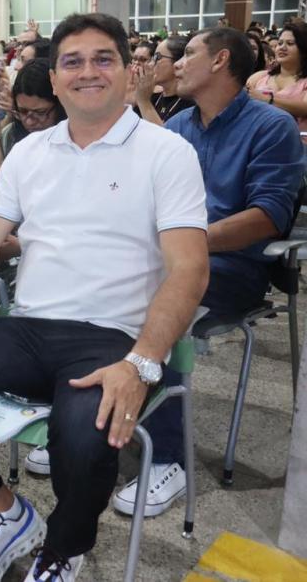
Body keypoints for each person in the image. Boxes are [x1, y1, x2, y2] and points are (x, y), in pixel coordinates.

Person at [0, 13, 209, 582]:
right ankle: (4, 512)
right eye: (73, 62)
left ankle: (63, 546)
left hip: (113, 337)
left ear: (129, 72)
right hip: (29, 327)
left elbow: (189, 269)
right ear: (54, 79)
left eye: (103, 58)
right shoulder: (30, 153)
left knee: (85, 434)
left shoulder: (166, 152)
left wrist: (141, 362)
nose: (88, 72)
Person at [114, 27, 303, 518]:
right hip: (166, 257)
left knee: (162, 299)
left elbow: (268, 216)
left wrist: (189, 241)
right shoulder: (178, 129)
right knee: (100, 284)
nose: (173, 63)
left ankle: (169, 459)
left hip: (232, 266)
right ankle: (93, 420)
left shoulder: (270, 127)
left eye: (186, 54)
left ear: (220, 60)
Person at [0, 58, 65, 197]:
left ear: (60, 106)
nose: (30, 121)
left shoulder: (75, 137)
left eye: (40, 113)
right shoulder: (8, 137)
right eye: (23, 111)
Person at [246, 23, 307, 133]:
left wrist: (267, 99)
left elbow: (305, 108)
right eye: (280, 43)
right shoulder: (259, 76)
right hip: (257, 140)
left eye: (290, 43)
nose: (282, 47)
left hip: (298, 143)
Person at [132, 35, 194, 126]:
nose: (151, 64)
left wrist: (144, 102)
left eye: (157, 57)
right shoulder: (153, 98)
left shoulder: (190, 106)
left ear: (178, 62)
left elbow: (165, 139)